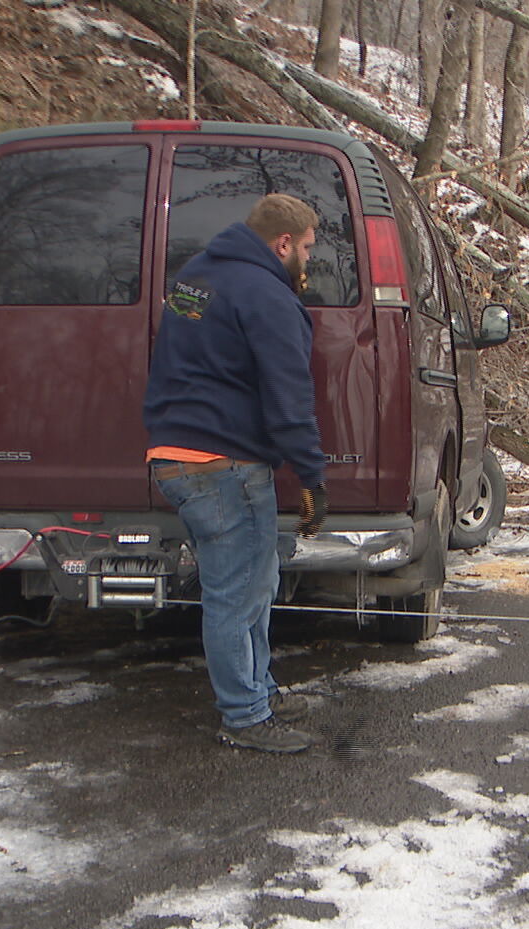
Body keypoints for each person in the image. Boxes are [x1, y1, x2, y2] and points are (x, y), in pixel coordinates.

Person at [144, 193, 330, 753]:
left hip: (176, 458)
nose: (308, 261)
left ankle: (260, 691)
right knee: (235, 595)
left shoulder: (196, 279)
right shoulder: (267, 296)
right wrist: (313, 479)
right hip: (224, 468)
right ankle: (245, 717)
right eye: (306, 249)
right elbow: (289, 397)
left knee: (255, 584)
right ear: (282, 244)